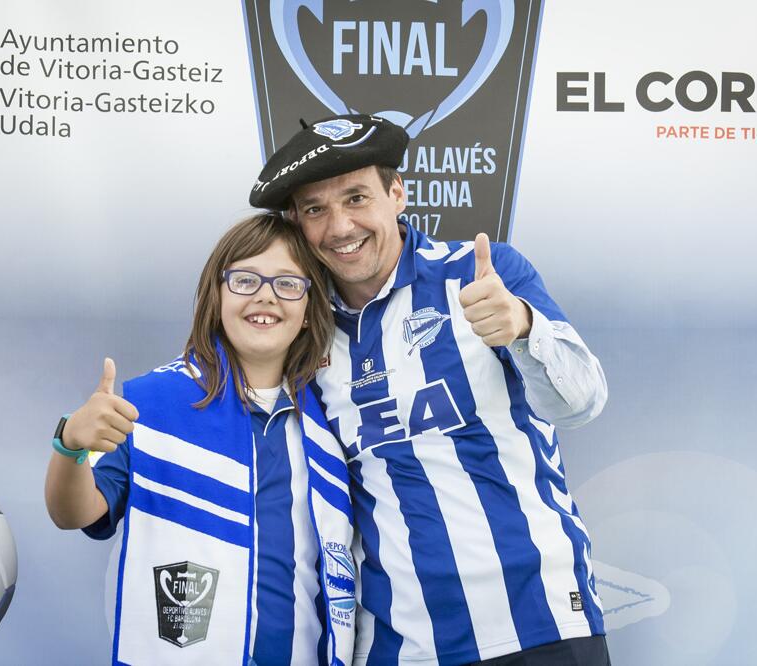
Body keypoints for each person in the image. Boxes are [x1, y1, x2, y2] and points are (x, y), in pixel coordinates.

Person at [249, 115, 611, 666]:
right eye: (316, 209)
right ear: (296, 222)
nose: (340, 227)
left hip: (539, 622)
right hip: (401, 646)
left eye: (356, 198)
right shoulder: (298, 321)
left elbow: (580, 402)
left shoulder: (479, 273)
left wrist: (522, 326)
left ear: (397, 194)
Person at [44, 214, 357, 666]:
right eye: (246, 280)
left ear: (310, 311)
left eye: (289, 284)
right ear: (217, 296)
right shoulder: (145, 402)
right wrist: (70, 445)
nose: (266, 295)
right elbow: (74, 512)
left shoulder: (332, 423)